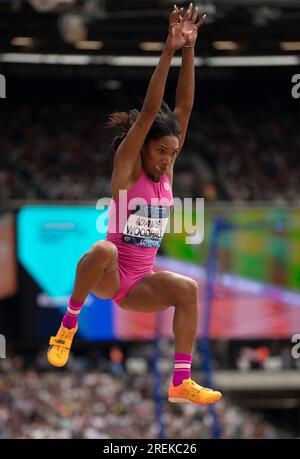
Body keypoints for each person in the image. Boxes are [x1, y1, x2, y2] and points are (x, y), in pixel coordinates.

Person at [48, 3, 222, 405]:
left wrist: (191, 49)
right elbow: (148, 114)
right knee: (105, 246)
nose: (168, 159)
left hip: (141, 283)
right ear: (144, 147)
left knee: (188, 289)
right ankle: (68, 326)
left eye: (174, 153)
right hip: (111, 274)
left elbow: (185, 109)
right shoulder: (128, 170)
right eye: (162, 151)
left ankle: (180, 381)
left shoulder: (167, 172)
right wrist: (169, 49)